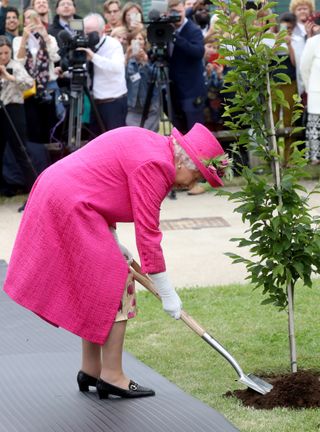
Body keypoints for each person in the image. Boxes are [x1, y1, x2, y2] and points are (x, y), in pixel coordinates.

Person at [3, 123, 231, 398]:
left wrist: (111, 237)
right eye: (199, 175)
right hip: (70, 203)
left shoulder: (151, 146)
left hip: (67, 196)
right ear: (185, 162)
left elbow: (104, 182)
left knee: (96, 279)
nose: (195, 183)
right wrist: (168, 292)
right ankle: (113, 376)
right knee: (116, 281)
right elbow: (148, 235)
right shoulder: (157, 166)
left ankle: (91, 369)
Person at [12, 8, 62, 145]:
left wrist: (44, 35)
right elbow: (18, 62)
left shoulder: (49, 38)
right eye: (28, 17)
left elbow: (55, 56)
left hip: (48, 87)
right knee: (33, 128)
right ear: (23, 22)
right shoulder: (17, 40)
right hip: (29, 89)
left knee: (51, 126)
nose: (31, 20)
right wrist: (24, 39)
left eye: (35, 17)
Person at [0, 36, 37, 199]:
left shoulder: (15, 66)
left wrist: (10, 77)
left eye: (6, 53)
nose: (3, 56)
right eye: (0, 53)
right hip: (1, 110)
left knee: (21, 151)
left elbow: (29, 83)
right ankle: (3, 187)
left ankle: (33, 190)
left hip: (14, 109)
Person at [81, 13, 127, 133]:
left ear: (102, 31)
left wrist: (94, 57)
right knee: (96, 140)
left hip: (113, 102)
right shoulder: (85, 44)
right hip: (95, 102)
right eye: (85, 31)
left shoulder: (113, 45)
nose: (87, 35)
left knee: (115, 139)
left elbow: (117, 67)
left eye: (91, 32)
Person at [166, 0, 206, 134]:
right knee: (180, 134)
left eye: (179, 11)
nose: (177, 15)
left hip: (191, 92)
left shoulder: (193, 30)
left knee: (195, 134)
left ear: (184, 10)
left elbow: (198, 52)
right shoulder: (167, 30)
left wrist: (176, 38)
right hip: (174, 92)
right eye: (173, 12)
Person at [125, 29, 160, 131]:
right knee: (133, 136)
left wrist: (145, 62)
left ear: (145, 43)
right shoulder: (127, 60)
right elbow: (120, 78)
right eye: (134, 39)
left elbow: (158, 77)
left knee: (149, 137)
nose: (137, 41)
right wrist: (127, 57)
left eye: (140, 39)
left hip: (151, 106)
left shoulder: (152, 58)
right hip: (133, 106)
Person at [300, 24, 320, 164]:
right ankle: (315, 159)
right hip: (316, 93)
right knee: (315, 127)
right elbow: (304, 68)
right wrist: (310, 88)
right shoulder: (313, 42)